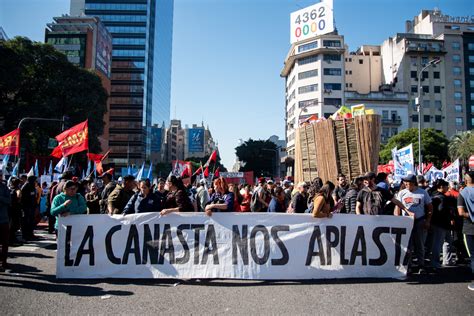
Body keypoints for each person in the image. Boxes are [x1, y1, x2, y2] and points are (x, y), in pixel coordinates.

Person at [396, 174, 433, 273]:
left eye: (409, 183)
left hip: (419, 221)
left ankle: (421, 265)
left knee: (419, 244)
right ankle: (408, 265)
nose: (407, 185)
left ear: (413, 183)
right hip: (406, 221)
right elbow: (397, 207)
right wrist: (397, 219)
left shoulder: (422, 193)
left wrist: (428, 221)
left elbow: (430, 207)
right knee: (407, 245)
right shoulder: (402, 193)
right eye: (405, 183)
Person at [430, 179, 455, 270]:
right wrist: (449, 214)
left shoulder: (433, 195)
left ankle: (447, 260)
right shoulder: (441, 198)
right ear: (441, 187)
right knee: (439, 243)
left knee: (446, 241)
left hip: (439, 223)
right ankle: (436, 262)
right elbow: (441, 211)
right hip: (441, 223)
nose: (447, 188)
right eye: (446, 186)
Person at [457, 171, 474, 291]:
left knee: (473, 256)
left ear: (466, 180)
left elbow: (461, 212)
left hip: (469, 229)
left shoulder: (463, 193)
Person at [20, 175, 38, 241]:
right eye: (35, 180)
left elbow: (34, 196)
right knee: (26, 221)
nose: (36, 181)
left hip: (31, 207)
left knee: (31, 221)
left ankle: (30, 234)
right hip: (26, 207)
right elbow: (23, 198)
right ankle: (26, 235)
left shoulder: (32, 186)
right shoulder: (26, 186)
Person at [0, 169, 12, 271]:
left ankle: (4, 262)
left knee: (5, 242)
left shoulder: (4, 187)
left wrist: (1, 198)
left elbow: (9, 201)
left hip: (3, 219)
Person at [8, 177, 22, 246]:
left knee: (11, 225)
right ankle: (12, 240)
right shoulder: (17, 190)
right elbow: (19, 196)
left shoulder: (9, 189)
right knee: (14, 225)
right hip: (15, 209)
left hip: (10, 209)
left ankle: (12, 239)